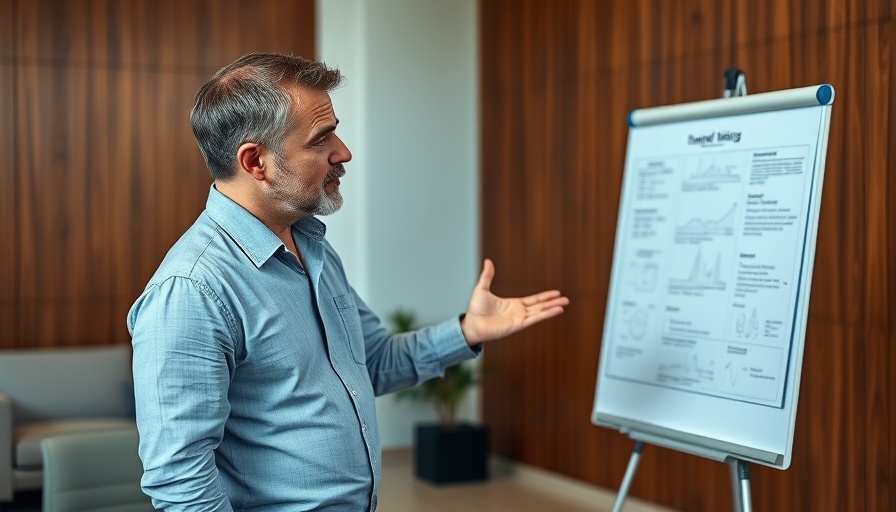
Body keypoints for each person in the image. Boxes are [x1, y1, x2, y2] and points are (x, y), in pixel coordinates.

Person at [127, 53, 569, 511]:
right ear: (256, 161)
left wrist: (466, 332)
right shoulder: (192, 290)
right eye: (321, 140)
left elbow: (369, 362)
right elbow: (180, 480)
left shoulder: (311, 245)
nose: (343, 151)